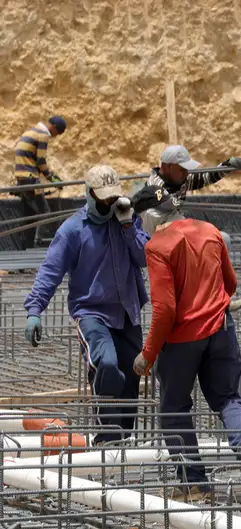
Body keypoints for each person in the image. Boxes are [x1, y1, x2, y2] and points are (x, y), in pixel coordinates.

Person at [130, 185, 241, 502]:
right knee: (228, 397)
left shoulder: (158, 246)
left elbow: (165, 310)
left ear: (150, 216)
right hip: (221, 328)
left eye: (140, 221)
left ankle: (195, 483)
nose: (141, 228)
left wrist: (147, 354)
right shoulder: (209, 231)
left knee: (174, 408)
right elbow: (230, 283)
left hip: (182, 340)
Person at [24, 165, 149, 445]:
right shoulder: (72, 230)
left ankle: (124, 441)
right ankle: (106, 438)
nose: (108, 203)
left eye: (112, 198)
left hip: (128, 312)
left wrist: (129, 226)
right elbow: (50, 271)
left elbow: (145, 257)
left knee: (131, 378)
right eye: (102, 198)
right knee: (106, 363)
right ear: (89, 194)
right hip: (92, 313)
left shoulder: (126, 221)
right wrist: (35, 310)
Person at [144, 145, 241, 311]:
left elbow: (205, 177)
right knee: (217, 241)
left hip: (177, 230)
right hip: (165, 238)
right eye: (182, 169)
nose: (186, 174)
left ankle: (218, 298)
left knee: (220, 241)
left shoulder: (177, 177)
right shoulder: (156, 188)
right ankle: (215, 300)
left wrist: (229, 165)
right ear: (168, 167)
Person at [13, 116, 67, 249]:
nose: (55, 136)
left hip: (22, 179)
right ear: (53, 127)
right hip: (31, 179)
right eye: (57, 133)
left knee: (28, 219)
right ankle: (37, 245)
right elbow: (41, 162)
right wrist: (54, 179)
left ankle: (23, 257)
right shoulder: (43, 135)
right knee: (45, 214)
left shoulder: (31, 131)